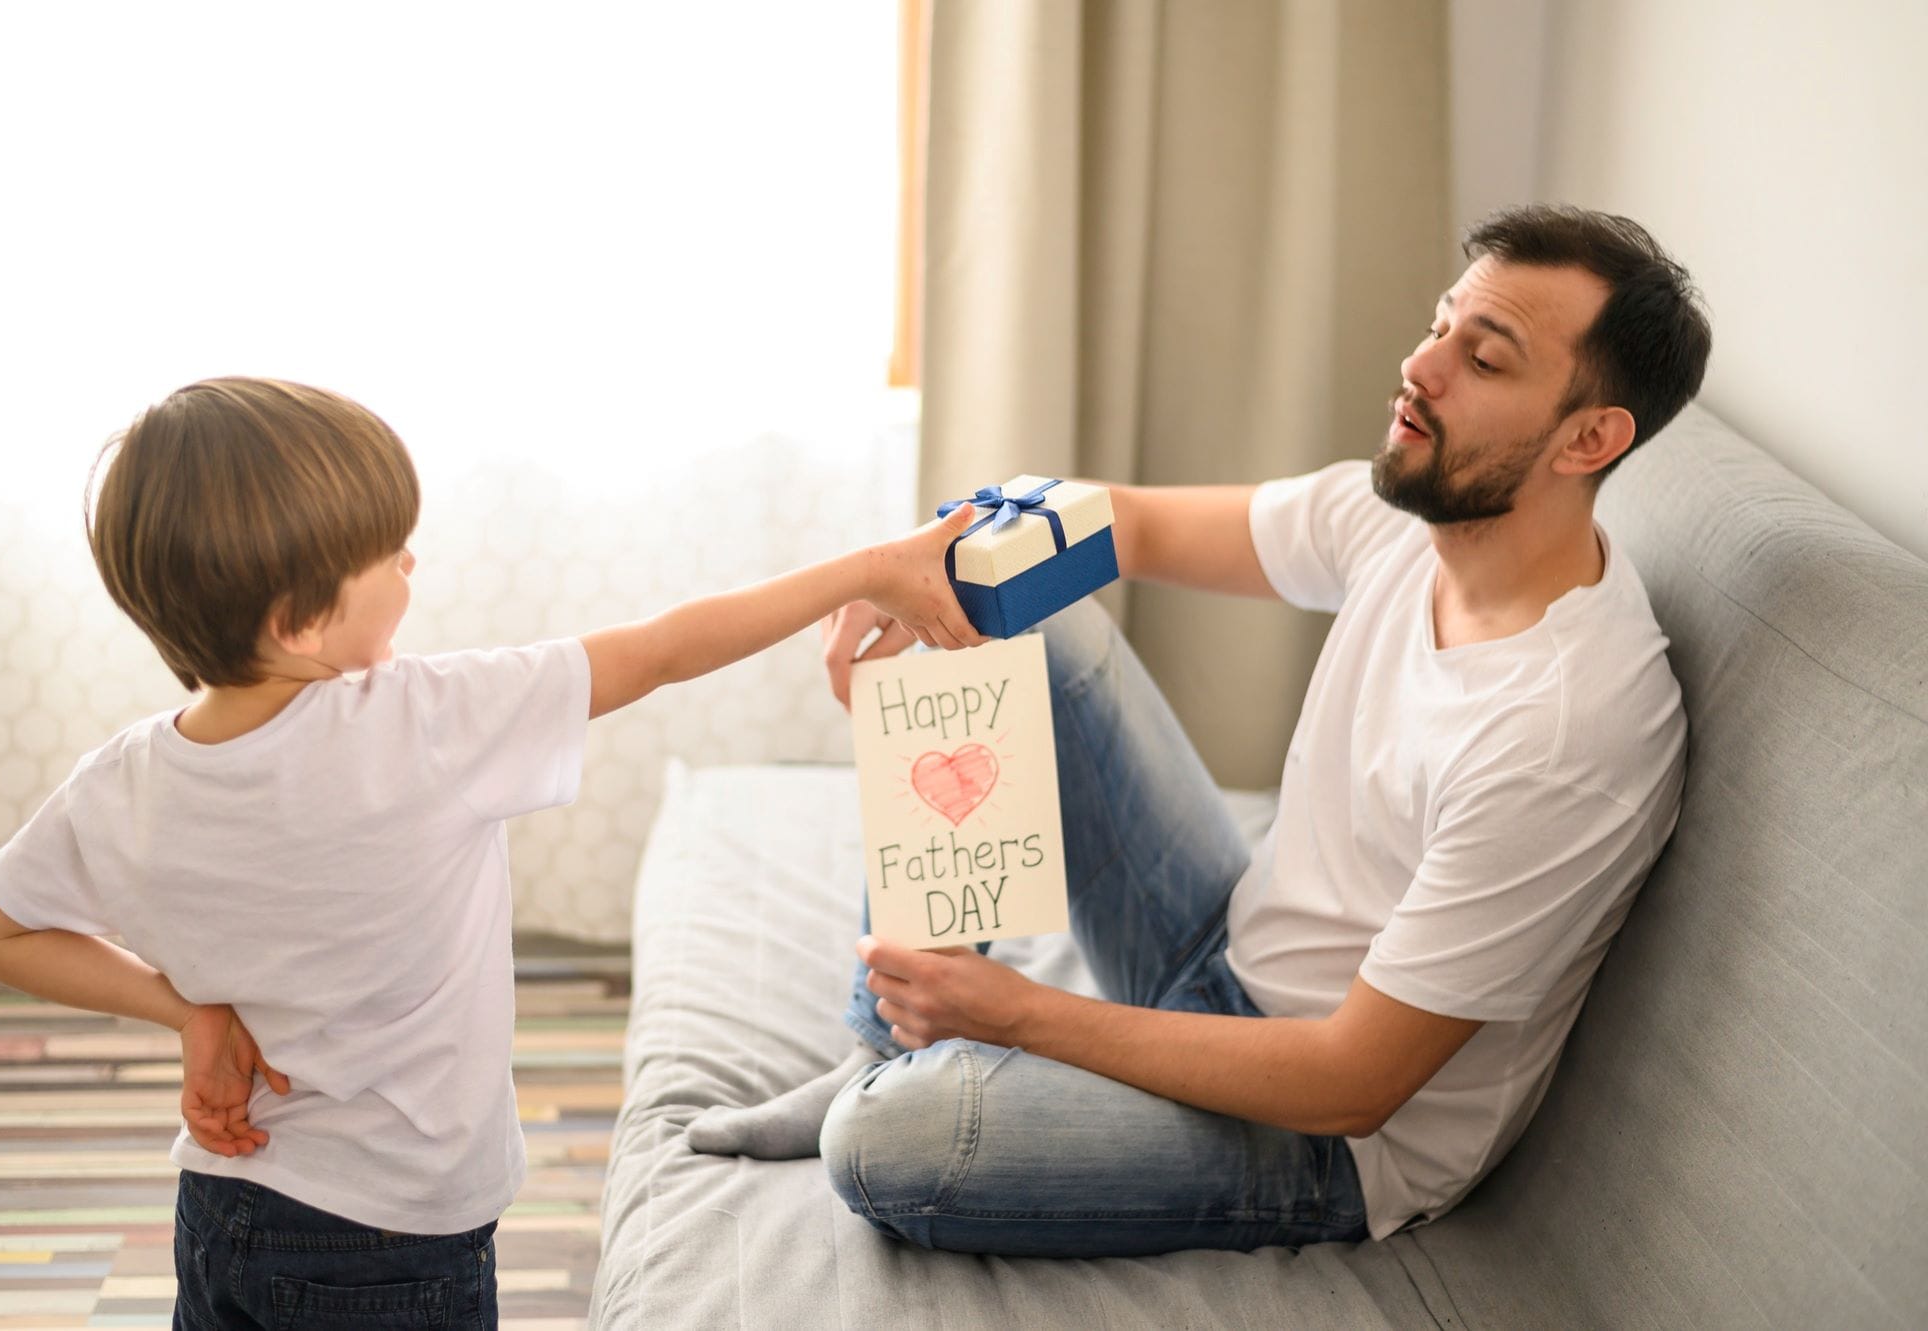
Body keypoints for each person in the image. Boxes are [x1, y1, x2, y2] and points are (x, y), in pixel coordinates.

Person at [686, 204, 1713, 1256]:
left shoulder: (1561, 733)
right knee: (1016, 610)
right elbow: (1118, 522)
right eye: (1440, 323)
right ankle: (879, 1041)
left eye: (1482, 359)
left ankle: (892, 1083)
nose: (1420, 365)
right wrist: (923, 566)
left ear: (1589, 438)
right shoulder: (1405, 521)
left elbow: (1351, 1081)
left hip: (1320, 1134)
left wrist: (1014, 1012)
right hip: (1217, 945)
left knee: (885, 1142)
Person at [0, 377, 982, 1326]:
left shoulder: (122, 778)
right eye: (389, 552)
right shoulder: (423, 721)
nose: (411, 563)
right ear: (301, 618)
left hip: (222, 1210)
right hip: (398, 1236)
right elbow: (669, 645)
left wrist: (185, 1008)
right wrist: (867, 568)